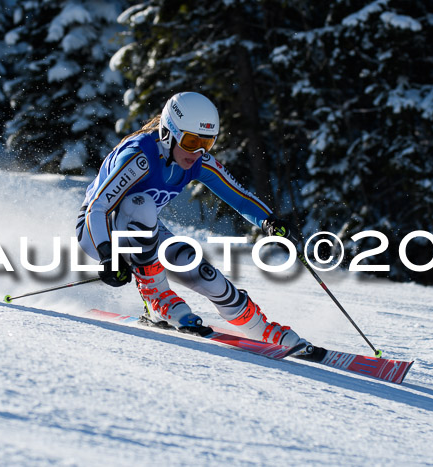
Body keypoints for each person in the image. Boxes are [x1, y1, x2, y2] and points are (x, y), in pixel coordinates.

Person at [76, 91, 306, 349]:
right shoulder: (138, 156)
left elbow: (239, 198)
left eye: (206, 143)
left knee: (199, 269)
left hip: (144, 235)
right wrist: (108, 255)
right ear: (168, 133)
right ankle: (156, 298)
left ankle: (260, 329)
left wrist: (269, 222)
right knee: (141, 203)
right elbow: (97, 209)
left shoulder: (197, 162)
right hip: (98, 232)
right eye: (191, 141)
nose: (197, 152)